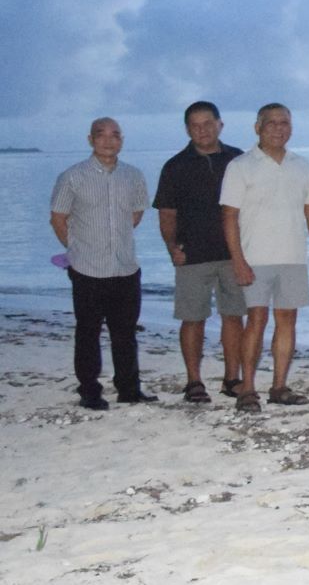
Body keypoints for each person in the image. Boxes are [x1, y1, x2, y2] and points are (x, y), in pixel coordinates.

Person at [218, 104, 309, 412]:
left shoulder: (301, 165)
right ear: (258, 127)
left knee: (287, 321)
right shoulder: (241, 166)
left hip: (292, 256)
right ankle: (248, 388)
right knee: (255, 319)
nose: (279, 128)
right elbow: (229, 215)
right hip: (255, 258)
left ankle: (279, 386)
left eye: (285, 123)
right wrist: (237, 260)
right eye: (272, 123)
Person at [50, 117, 152, 410]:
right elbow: (58, 218)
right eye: (101, 135)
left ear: (122, 139)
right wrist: (76, 250)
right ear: (90, 139)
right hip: (87, 269)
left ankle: (129, 389)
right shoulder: (72, 176)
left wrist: (114, 241)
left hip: (125, 267)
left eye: (115, 135)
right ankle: (89, 391)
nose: (108, 140)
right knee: (88, 332)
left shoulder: (133, 176)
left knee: (125, 332)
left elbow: (135, 214)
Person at [152, 101, 245, 403]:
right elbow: (167, 214)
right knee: (193, 319)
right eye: (195, 125)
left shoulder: (238, 160)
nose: (202, 130)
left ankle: (232, 379)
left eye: (208, 123)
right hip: (191, 255)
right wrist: (171, 248)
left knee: (234, 317)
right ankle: (194, 381)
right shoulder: (175, 166)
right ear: (187, 129)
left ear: (220, 124)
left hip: (234, 254)